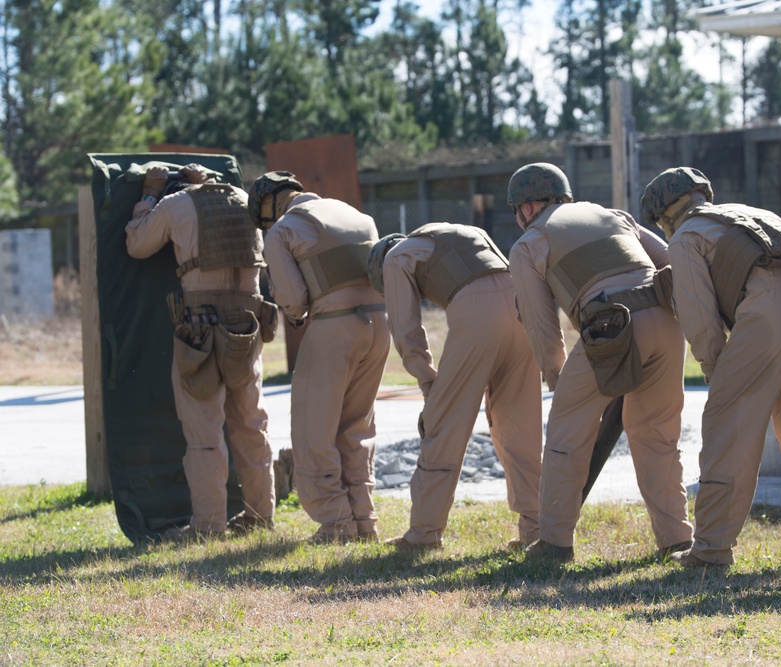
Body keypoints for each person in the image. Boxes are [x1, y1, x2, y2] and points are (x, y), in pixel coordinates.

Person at [640, 167, 781, 568]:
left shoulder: (686, 237)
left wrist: (717, 370)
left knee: (727, 428)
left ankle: (710, 549)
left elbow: (698, 316)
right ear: (702, 195)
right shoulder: (752, 213)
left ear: (663, 217)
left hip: (768, 312)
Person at [506, 162, 693, 562]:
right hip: (665, 318)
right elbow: (672, 261)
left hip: (611, 325)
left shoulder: (530, 243)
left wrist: (557, 376)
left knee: (566, 434)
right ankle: (676, 538)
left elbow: (541, 325)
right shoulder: (613, 215)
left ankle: (554, 543)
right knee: (657, 434)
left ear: (525, 208)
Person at [367, 223, 543, 551]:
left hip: (479, 314)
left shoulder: (394, 258)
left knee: (443, 425)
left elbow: (406, 329)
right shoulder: (454, 233)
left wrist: (428, 382)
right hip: (523, 306)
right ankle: (537, 531)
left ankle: (424, 534)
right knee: (520, 429)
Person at [125, 163, 276, 540]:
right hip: (248, 327)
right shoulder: (245, 201)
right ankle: (260, 518)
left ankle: (208, 528)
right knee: (250, 426)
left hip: (200, 330)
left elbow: (137, 245)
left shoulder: (176, 204)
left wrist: (148, 195)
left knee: (204, 432)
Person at [247, 171, 390, 543]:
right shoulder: (358, 216)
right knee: (357, 428)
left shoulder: (284, 230)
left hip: (333, 327)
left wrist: (296, 312)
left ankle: (335, 522)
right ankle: (364, 518)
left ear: (270, 203)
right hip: (379, 325)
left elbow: (293, 297)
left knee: (315, 428)